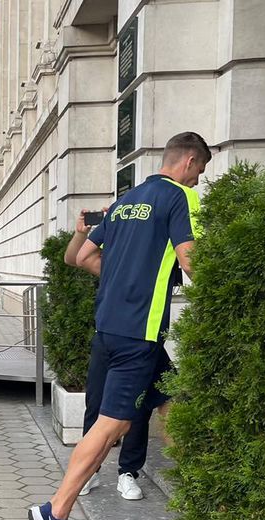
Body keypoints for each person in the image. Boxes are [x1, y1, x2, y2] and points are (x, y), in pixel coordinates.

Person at [28, 131, 210, 520]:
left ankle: (208, 488)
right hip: (139, 334)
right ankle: (55, 511)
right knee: (112, 426)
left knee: (172, 398)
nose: (199, 181)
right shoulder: (179, 198)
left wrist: (125, 276)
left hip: (111, 327)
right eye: (200, 171)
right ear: (187, 162)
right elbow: (191, 260)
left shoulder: (127, 201)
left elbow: (83, 257)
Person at [63, 208, 174, 501]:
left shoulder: (155, 235)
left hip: (142, 330)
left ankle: (127, 471)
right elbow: (75, 257)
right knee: (99, 402)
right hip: (112, 329)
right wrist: (80, 232)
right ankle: (92, 470)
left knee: (139, 405)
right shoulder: (116, 219)